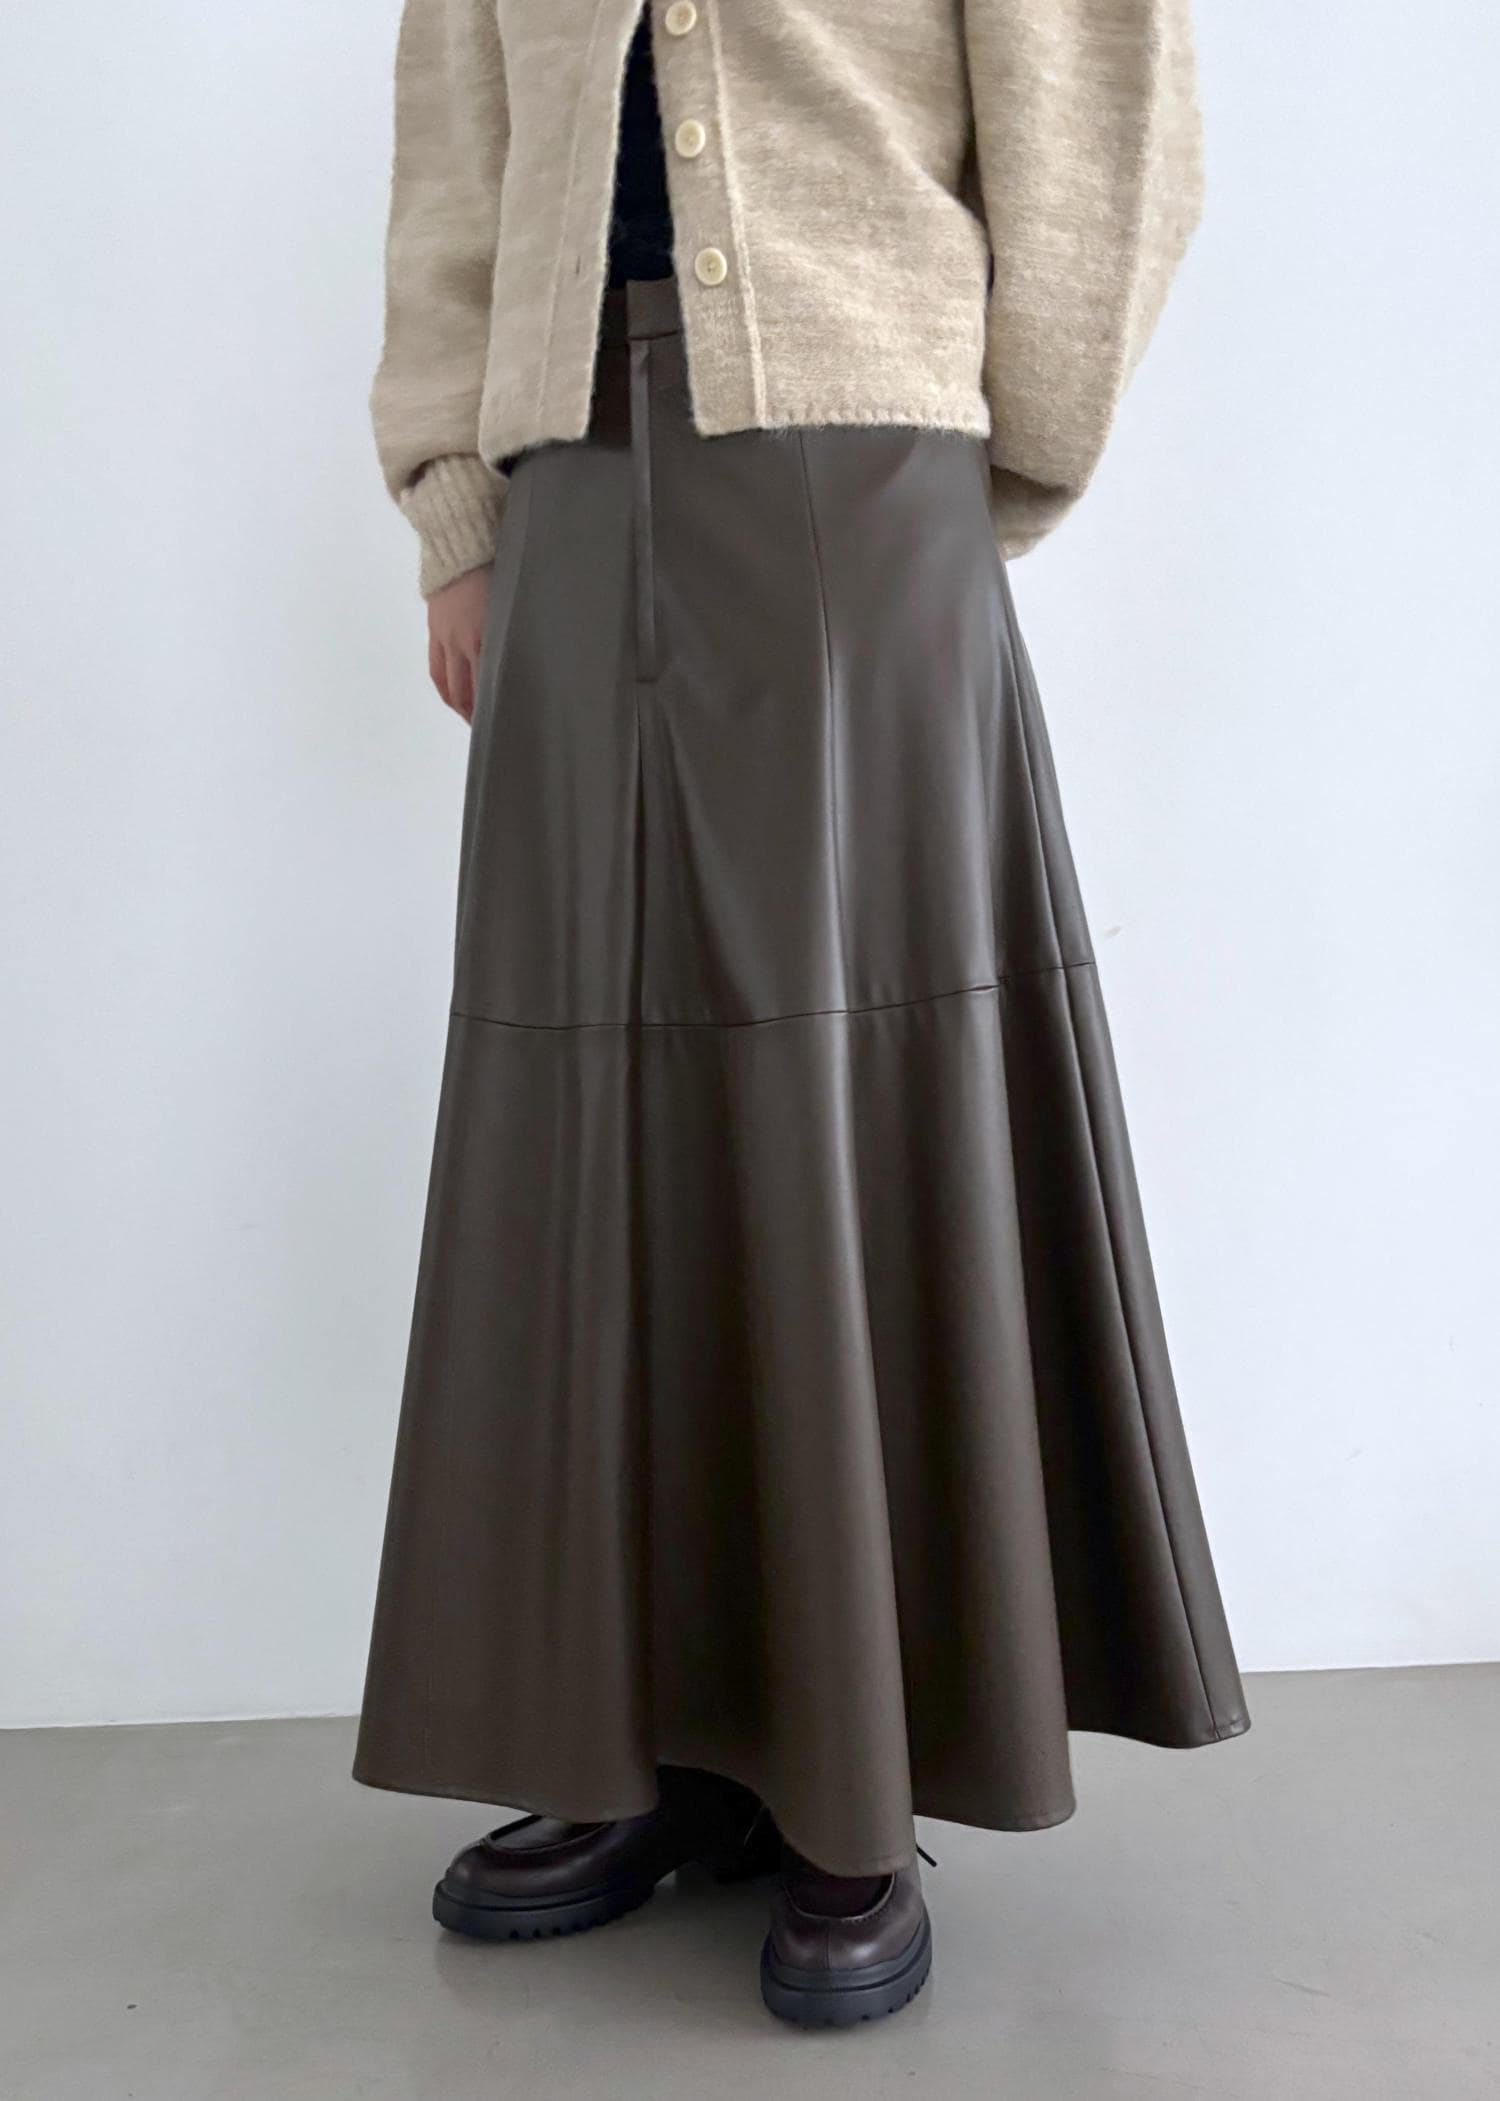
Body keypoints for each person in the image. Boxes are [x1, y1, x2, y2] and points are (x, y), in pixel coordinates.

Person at [353, 0, 1249, 2029]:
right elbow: (455, 156)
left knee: (841, 1100)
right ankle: (648, 1746)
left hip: (862, 460)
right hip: (573, 474)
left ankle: (856, 1772)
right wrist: (456, 507)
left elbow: (1104, 113)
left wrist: (969, 442)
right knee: (595, 1124)